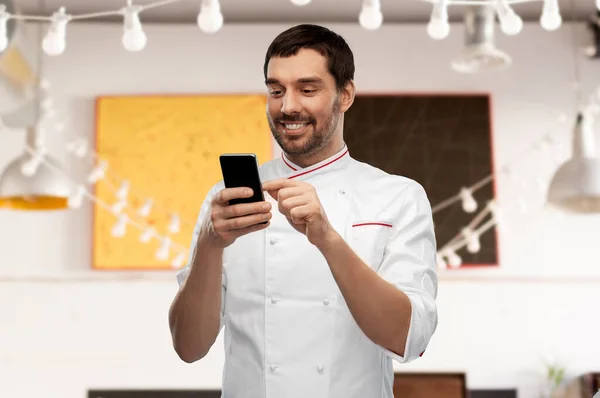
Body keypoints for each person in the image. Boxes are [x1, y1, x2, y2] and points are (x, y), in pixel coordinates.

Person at [168, 23, 438, 398]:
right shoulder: (227, 199)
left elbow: (409, 338)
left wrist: (327, 238)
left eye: (307, 90)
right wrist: (209, 244)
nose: (287, 106)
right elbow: (188, 348)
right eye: (275, 90)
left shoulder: (398, 196)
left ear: (345, 95)